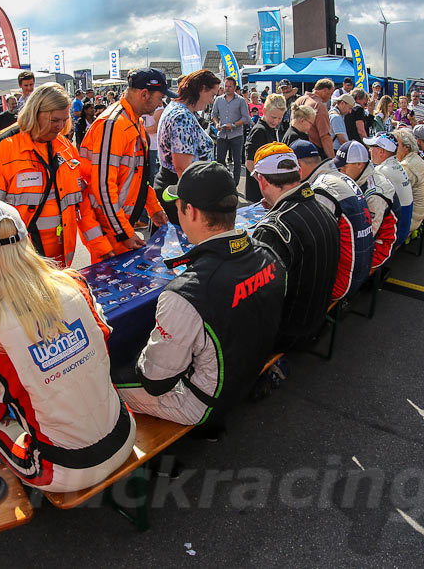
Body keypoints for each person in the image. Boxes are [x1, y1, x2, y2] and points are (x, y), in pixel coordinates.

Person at [0, 201, 135, 491]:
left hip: (65, 469)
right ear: (27, 242)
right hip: (122, 433)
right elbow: (103, 338)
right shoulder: (74, 283)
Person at [114, 162, 285, 424]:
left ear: (190, 211)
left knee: (110, 381)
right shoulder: (269, 253)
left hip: (204, 402)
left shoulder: (185, 294)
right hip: (250, 369)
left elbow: (154, 382)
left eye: (178, 207)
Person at [0, 83, 114, 267]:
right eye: (54, 120)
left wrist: (101, 247)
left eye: (65, 120)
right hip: (19, 265)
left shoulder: (66, 149)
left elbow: (82, 206)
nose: (60, 126)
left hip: (59, 263)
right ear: (35, 113)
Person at [252, 143, 339, 351]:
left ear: (262, 181)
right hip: (317, 316)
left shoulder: (274, 229)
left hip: (288, 333)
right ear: (298, 172)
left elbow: (257, 298)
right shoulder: (324, 208)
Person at [79, 68, 172, 255]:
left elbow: (138, 178)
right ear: (144, 94)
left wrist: (153, 209)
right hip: (108, 232)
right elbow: (103, 186)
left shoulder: (132, 121)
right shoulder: (113, 125)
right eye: (160, 98)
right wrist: (123, 233)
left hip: (117, 226)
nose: (161, 103)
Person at [296, 141, 375, 300]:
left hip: (344, 280)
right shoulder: (339, 177)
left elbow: (314, 244)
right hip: (363, 265)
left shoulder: (320, 189)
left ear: (298, 166)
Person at [154, 69, 221, 224]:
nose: (212, 100)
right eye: (212, 94)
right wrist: (195, 205)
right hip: (180, 193)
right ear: (202, 89)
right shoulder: (181, 116)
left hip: (177, 188)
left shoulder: (179, 109)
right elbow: (182, 168)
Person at [333, 141, 400, 270]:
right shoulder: (364, 174)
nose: (340, 171)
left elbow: (366, 236)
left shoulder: (375, 195)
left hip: (379, 247)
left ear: (359, 164)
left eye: (344, 167)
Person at [365, 132, 415, 246]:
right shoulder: (396, 164)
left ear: (381, 151)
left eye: (372, 147)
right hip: (404, 224)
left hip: (397, 231)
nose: (369, 150)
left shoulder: (382, 171)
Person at [245, 94, 286, 203]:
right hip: (258, 191)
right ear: (264, 110)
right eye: (273, 117)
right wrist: (265, 184)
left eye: (280, 118)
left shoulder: (270, 128)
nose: (276, 121)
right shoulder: (259, 131)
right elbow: (249, 163)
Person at [211, 76, 251, 184]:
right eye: (226, 86)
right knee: (220, 159)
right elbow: (213, 115)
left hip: (236, 134)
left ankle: (235, 183)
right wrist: (217, 123)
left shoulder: (241, 100)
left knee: (237, 161)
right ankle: (226, 179)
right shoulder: (218, 100)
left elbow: (245, 118)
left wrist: (233, 125)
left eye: (229, 86)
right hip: (222, 134)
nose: (227, 88)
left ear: (234, 87)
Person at [395, 127, 424, 233]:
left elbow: (394, 194)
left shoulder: (407, 166)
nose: (393, 148)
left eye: (397, 145)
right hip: (418, 213)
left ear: (406, 147)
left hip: (411, 219)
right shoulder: (415, 158)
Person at [295, 78, 336, 157]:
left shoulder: (299, 100)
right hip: (314, 150)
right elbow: (325, 136)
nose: (330, 97)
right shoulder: (319, 106)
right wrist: (332, 159)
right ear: (325, 90)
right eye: (330, 94)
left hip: (297, 145)